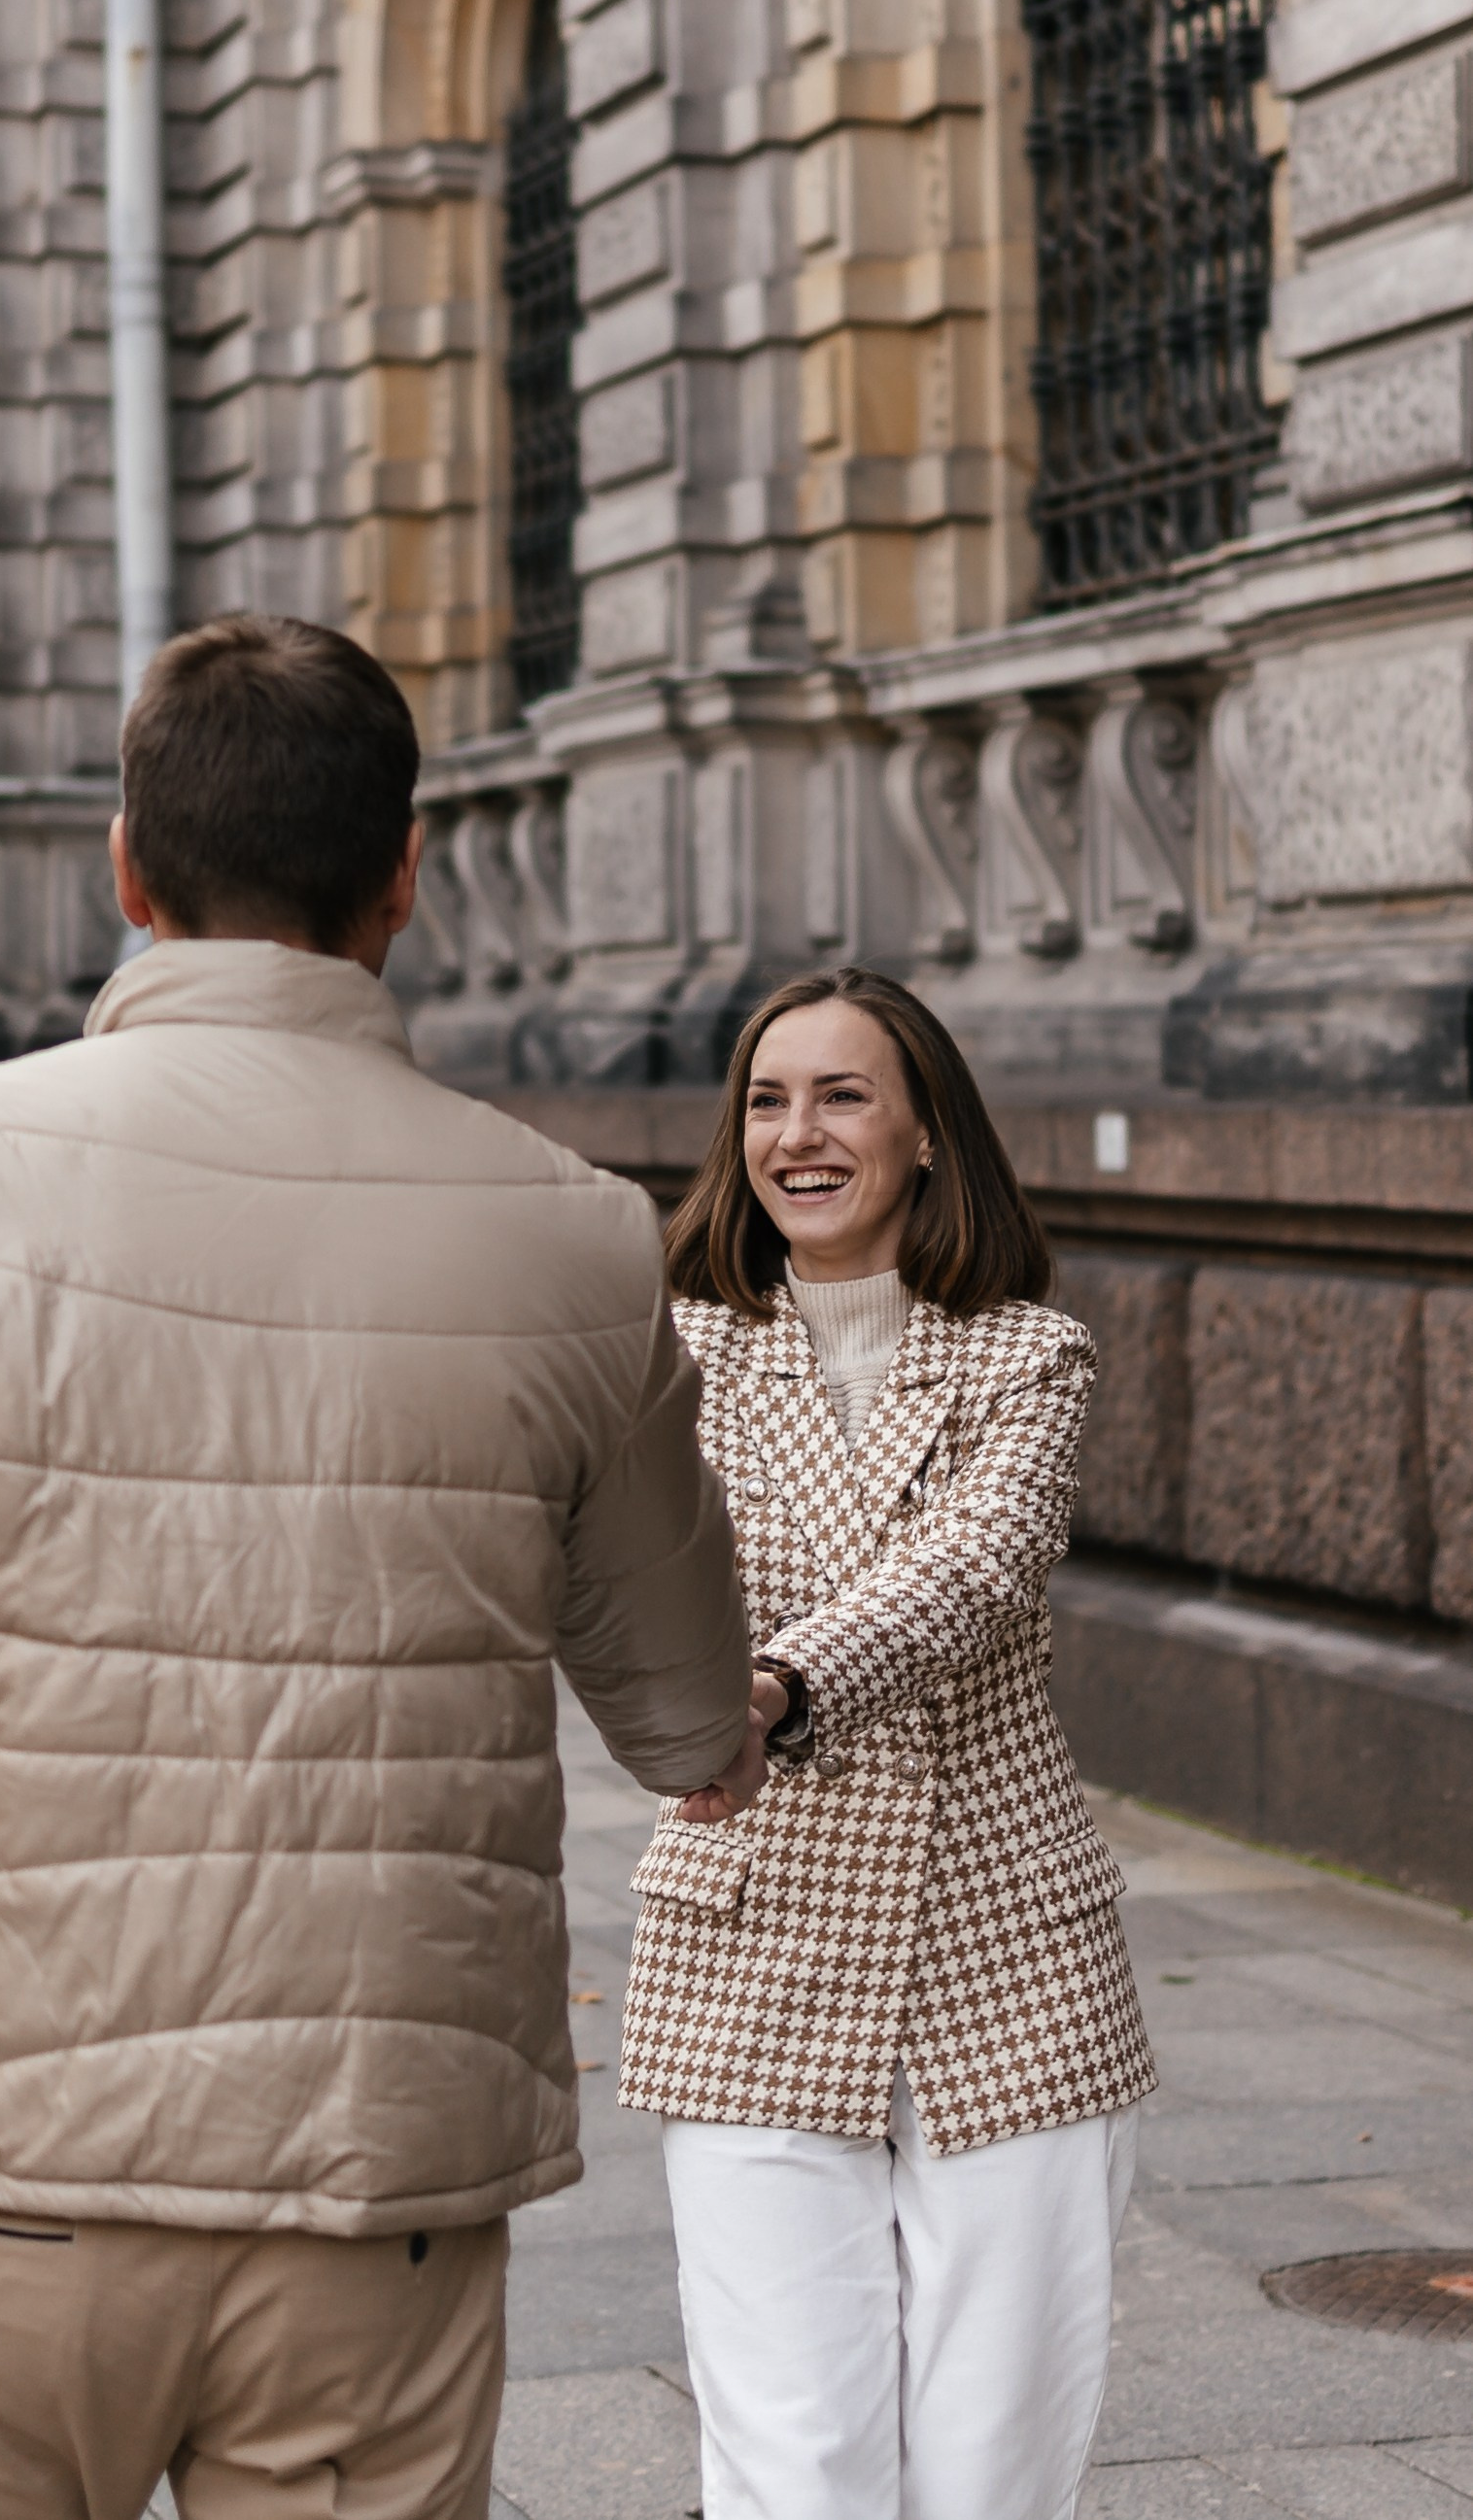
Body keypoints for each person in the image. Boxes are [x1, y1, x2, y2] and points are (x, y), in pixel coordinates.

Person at [0, 612, 761, 2520]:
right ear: (404, 874)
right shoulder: (573, 1234)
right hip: (373, 2192)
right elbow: (690, 1706)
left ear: (127, 869)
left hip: (4, 2179)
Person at [616, 967, 1155, 2520]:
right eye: (766, 1099)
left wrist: (772, 1687)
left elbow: (968, 1574)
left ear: (924, 1132)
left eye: (841, 1093)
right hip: (753, 1933)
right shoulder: (670, 1356)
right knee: (797, 2463)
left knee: (996, 2466)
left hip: (1006, 1951)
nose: (798, 1131)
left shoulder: (1023, 1356)